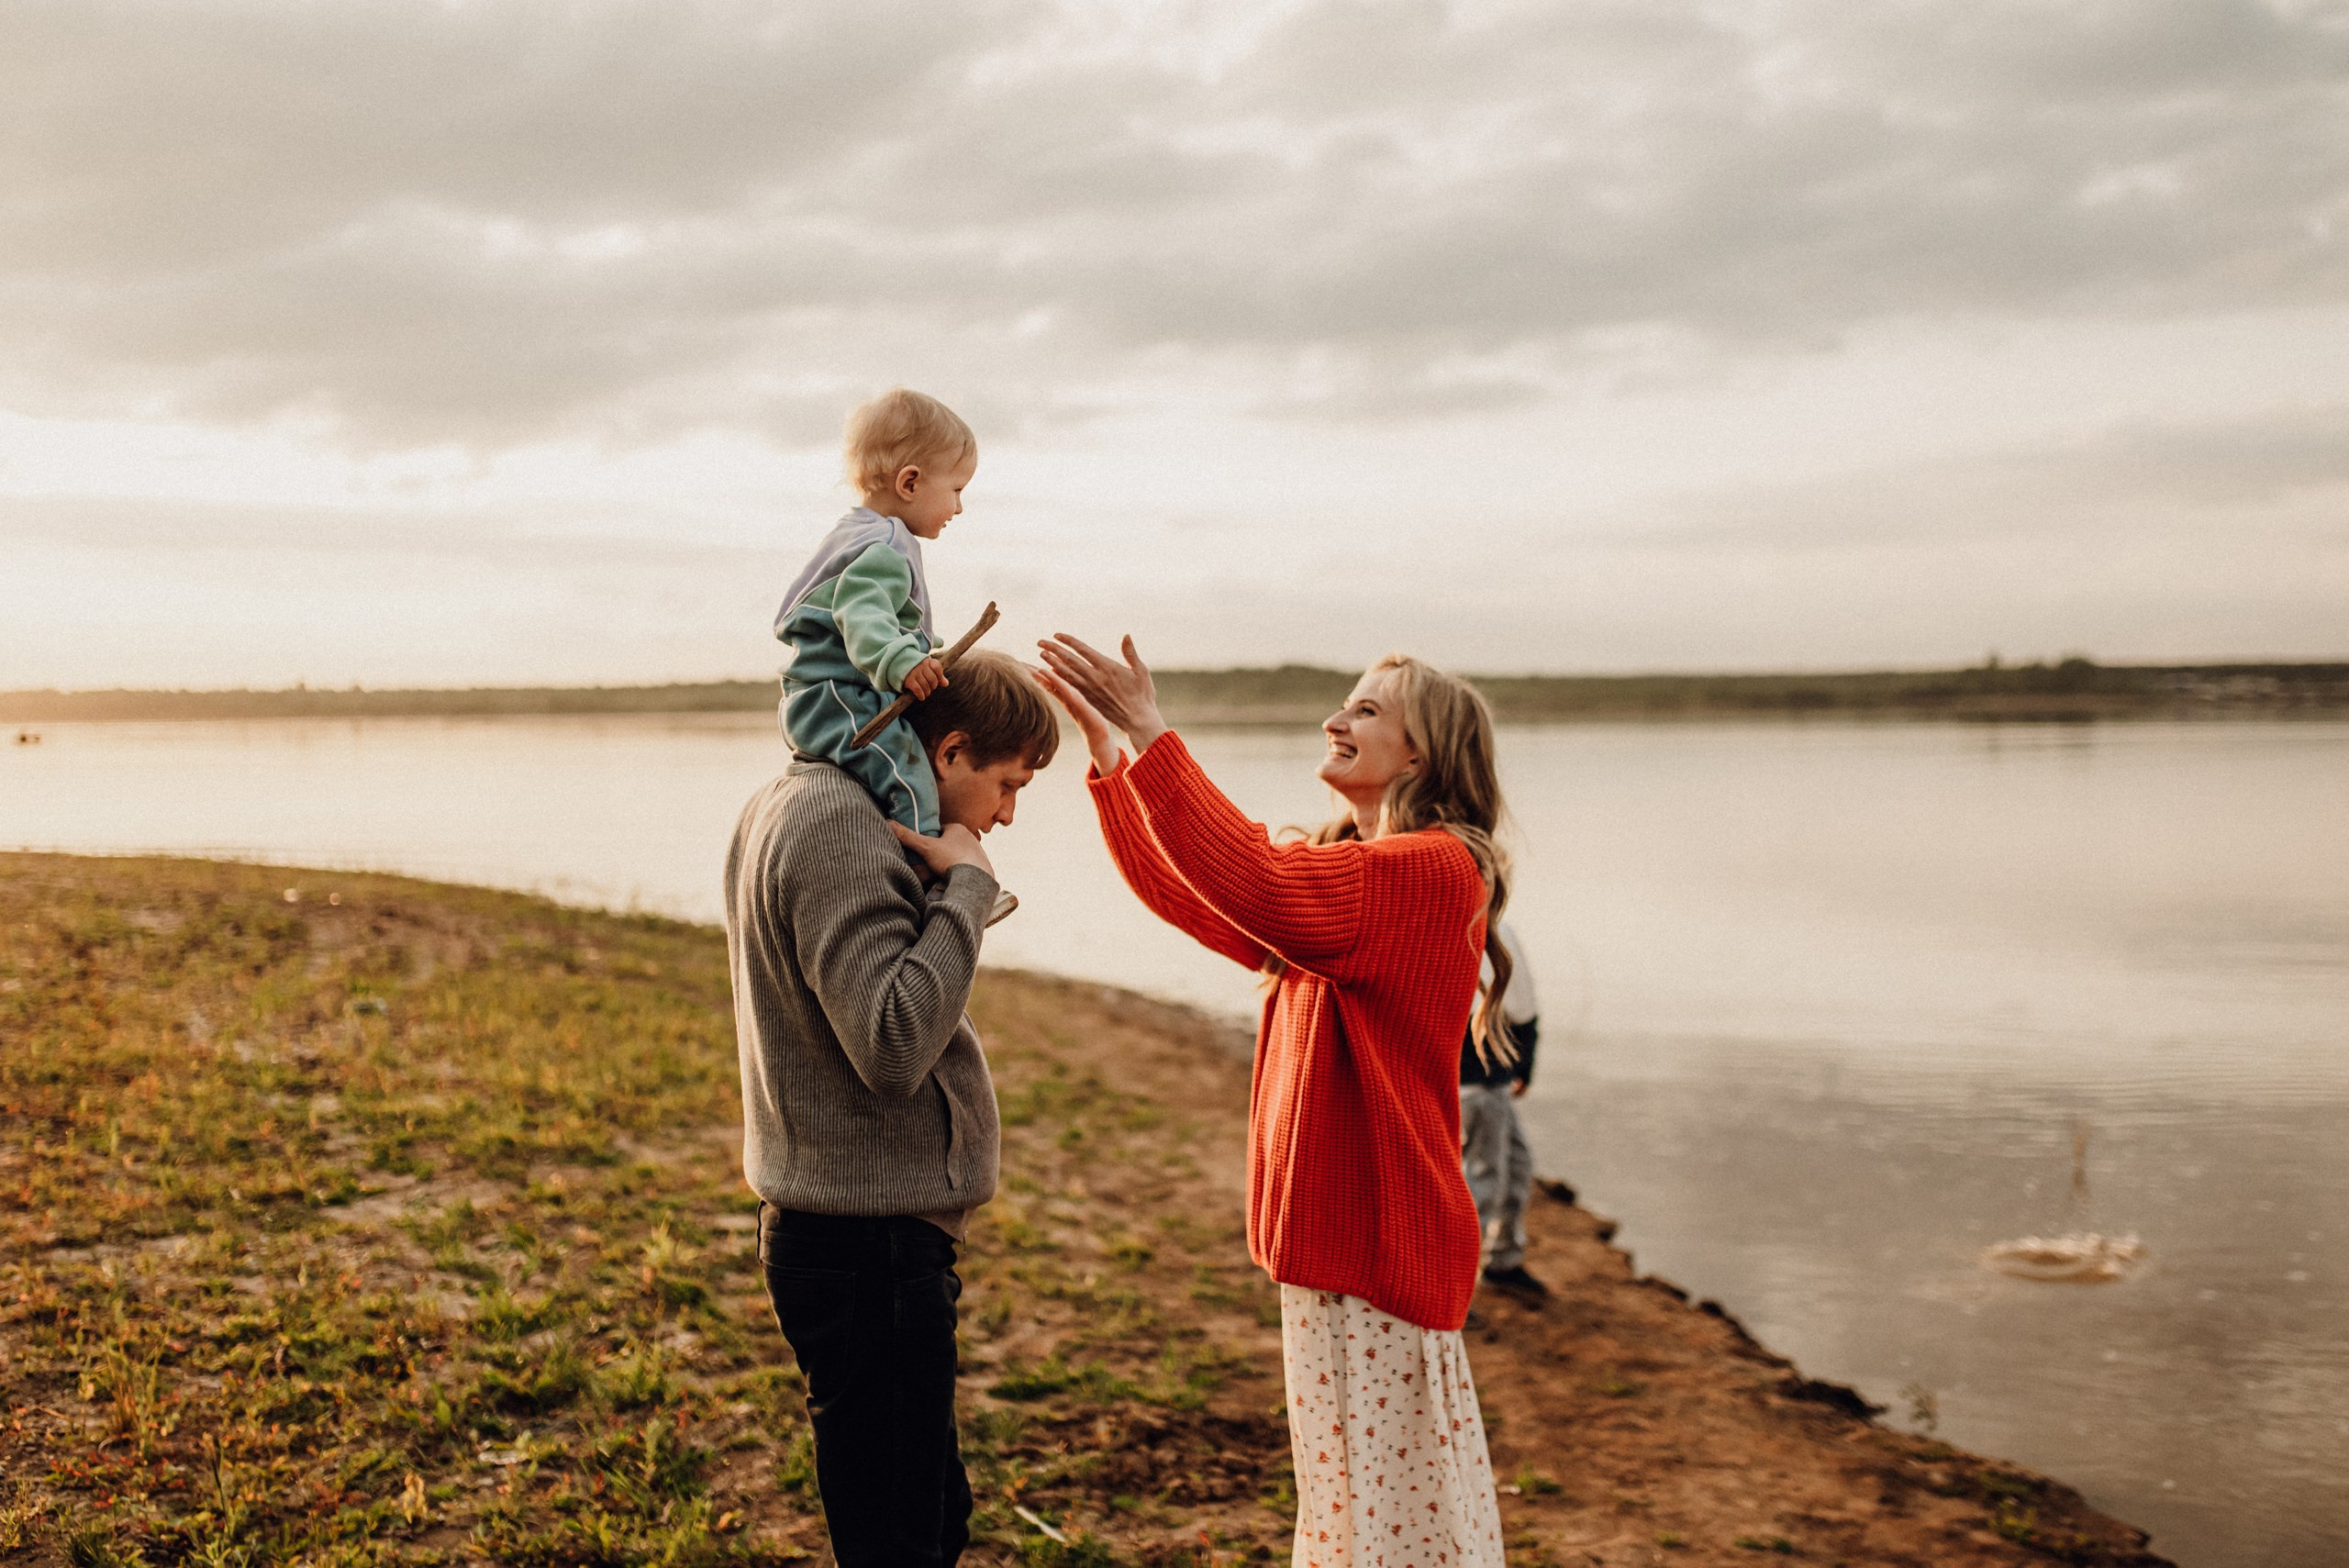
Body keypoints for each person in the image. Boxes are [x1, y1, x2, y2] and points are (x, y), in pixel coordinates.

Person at [1036, 634, 1509, 1568]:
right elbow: (1210, 902)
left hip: (1384, 1246)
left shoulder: (1430, 869)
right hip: (1335, 1243)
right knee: (1345, 1508)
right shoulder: (1353, 870)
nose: (1336, 718)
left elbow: (1259, 881)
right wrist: (1115, 763)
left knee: (1399, 1528)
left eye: (1367, 710)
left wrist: (1151, 732)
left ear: (1420, 754)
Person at [723, 651, 1058, 1568]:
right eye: (1007, 783)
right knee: (900, 1536)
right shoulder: (839, 821)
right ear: (948, 751)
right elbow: (894, 1040)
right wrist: (966, 889)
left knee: (924, 1514)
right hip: (863, 1244)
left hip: (855, 1231)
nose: (1007, 813)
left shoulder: (803, 796)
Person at [774, 387, 975, 838]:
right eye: (956, 490)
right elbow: (861, 612)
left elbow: (878, 614)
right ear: (909, 483)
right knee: (911, 780)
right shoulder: (885, 544)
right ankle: (927, 878)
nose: (959, 507)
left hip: (826, 697)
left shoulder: (855, 532)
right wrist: (902, 662)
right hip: (840, 699)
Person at [1460, 917, 1544, 1296]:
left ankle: (1503, 1259)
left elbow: (1523, 1004)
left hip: (1491, 1079)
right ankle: (1457, 1285)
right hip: (1476, 1083)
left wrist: (1524, 1064)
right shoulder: (1458, 928)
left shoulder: (1497, 928)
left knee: (1517, 1164)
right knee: (1483, 1180)